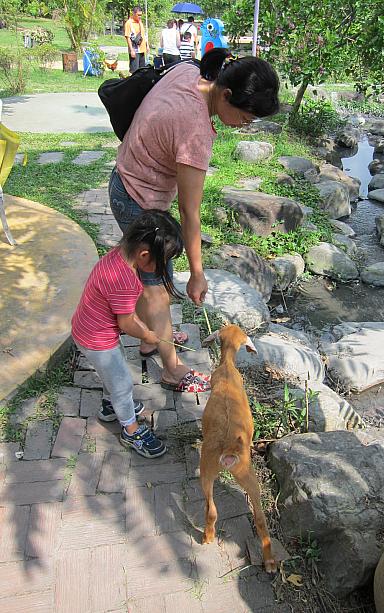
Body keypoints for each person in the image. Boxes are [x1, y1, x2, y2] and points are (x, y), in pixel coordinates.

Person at [108, 48, 279, 393]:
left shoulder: (192, 73)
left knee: (154, 276)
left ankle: (150, 339)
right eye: (245, 119)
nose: (244, 126)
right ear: (226, 95)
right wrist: (198, 274)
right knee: (158, 288)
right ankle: (172, 369)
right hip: (137, 197)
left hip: (126, 177)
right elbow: (190, 212)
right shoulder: (195, 132)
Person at [71, 211, 186, 458]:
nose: (162, 266)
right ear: (145, 255)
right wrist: (147, 335)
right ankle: (131, 430)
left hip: (89, 330)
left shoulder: (119, 255)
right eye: (162, 261)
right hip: (97, 339)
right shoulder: (124, 280)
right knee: (122, 382)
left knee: (113, 373)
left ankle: (110, 405)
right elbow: (126, 323)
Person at [124, 5, 149, 74]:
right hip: (135, 51)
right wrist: (131, 50)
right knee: (134, 72)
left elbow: (143, 35)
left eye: (141, 15)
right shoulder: (129, 23)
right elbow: (128, 37)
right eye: (138, 15)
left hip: (142, 50)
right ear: (134, 13)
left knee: (142, 71)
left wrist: (147, 46)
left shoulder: (140, 22)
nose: (140, 17)